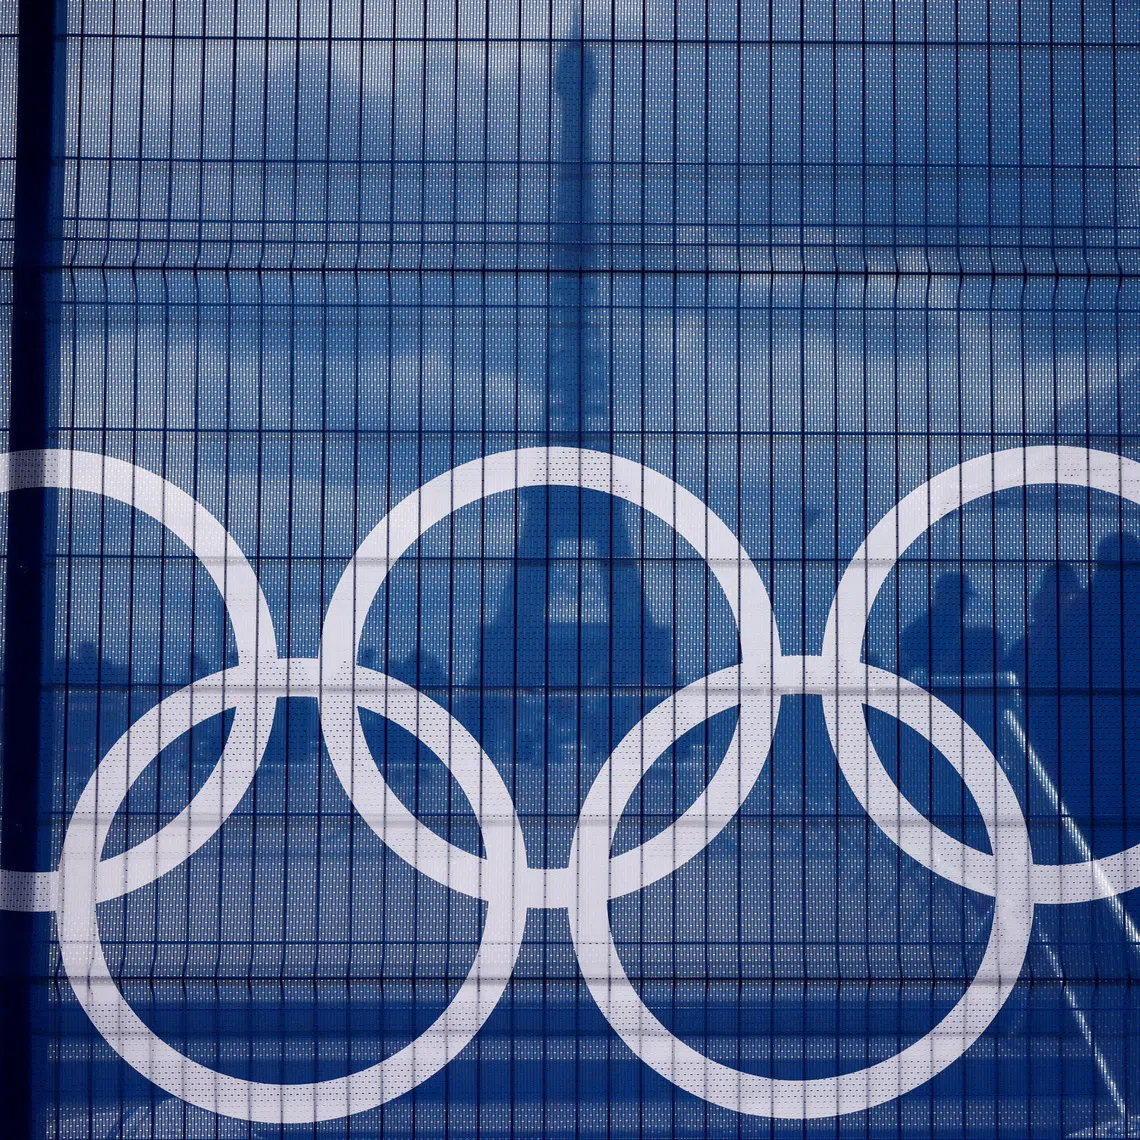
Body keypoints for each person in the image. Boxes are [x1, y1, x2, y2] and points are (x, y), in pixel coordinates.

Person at [900, 571, 1004, 680]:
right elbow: (911, 670)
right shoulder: (921, 630)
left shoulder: (951, 625)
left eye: (964, 598)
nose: (964, 603)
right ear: (942, 597)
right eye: (958, 597)